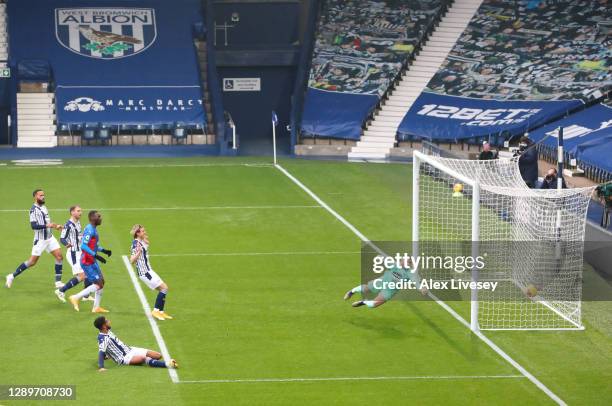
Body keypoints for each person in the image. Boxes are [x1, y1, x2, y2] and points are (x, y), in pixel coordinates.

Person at [6, 189, 64, 289]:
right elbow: (34, 226)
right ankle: (11, 276)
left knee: (59, 257)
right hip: (40, 240)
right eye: (41, 195)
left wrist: (56, 226)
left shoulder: (44, 207)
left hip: (50, 238)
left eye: (43, 195)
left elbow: (48, 222)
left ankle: (58, 282)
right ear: (35, 197)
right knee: (32, 262)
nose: (43, 197)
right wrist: (48, 225)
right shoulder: (33, 210)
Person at [94, 316, 178, 371]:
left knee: (158, 355)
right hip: (123, 358)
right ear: (104, 326)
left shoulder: (108, 331)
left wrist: (107, 356)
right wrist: (101, 367)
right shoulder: (102, 338)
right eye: (107, 321)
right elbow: (101, 351)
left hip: (130, 349)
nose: (109, 321)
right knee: (143, 358)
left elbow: (107, 348)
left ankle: (156, 362)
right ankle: (168, 364)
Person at [68, 211, 111, 313]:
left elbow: (93, 246)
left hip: (92, 260)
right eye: (98, 216)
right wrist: (95, 254)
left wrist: (103, 250)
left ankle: (96, 307)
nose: (100, 218)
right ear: (92, 218)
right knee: (98, 284)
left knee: (102, 281)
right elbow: (83, 245)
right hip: (87, 261)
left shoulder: (93, 229)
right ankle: (75, 297)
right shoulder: (90, 230)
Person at [343, 257, 426, 308]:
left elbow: (415, 282)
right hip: (382, 281)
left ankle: (363, 302)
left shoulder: (410, 273)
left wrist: (421, 288)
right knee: (365, 289)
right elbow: (386, 260)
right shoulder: (395, 264)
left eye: (408, 262)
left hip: (390, 290)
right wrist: (381, 258)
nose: (404, 262)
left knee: (373, 305)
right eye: (404, 260)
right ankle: (351, 292)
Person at [129, 224, 173, 321]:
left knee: (164, 289)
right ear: (138, 233)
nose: (145, 232)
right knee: (164, 288)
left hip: (149, 270)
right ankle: (155, 311)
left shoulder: (140, 241)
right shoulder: (136, 244)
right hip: (145, 272)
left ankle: (161, 312)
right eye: (143, 231)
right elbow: (131, 260)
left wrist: (143, 238)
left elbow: (147, 243)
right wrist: (138, 253)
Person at [55, 206, 94, 303]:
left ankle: (86, 296)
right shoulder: (68, 225)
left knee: (89, 273)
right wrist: (67, 244)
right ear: (72, 212)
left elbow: (77, 234)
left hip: (81, 252)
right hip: (74, 254)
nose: (81, 212)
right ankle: (60, 291)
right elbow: (62, 238)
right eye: (78, 211)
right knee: (82, 276)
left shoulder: (78, 222)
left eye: (81, 210)